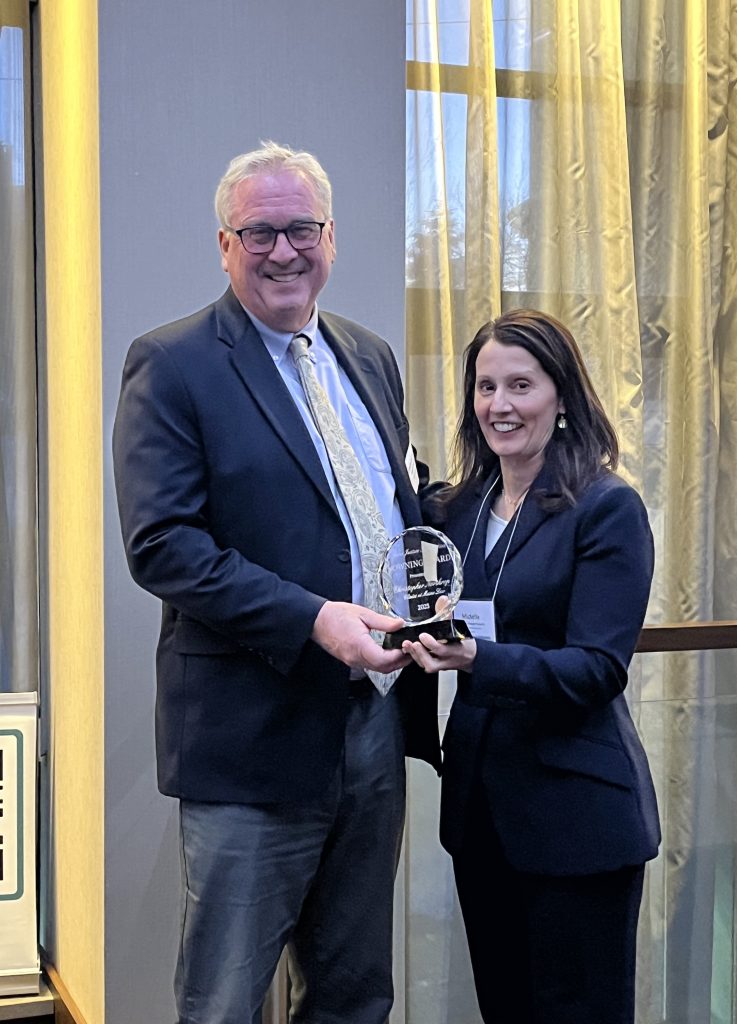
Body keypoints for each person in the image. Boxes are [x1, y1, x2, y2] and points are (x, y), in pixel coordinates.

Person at [112, 141, 440, 1024]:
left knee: (354, 993)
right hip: (250, 742)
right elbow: (163, 545)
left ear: (332, 239)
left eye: (301, 229)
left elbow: (393, 504)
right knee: (224, 1001)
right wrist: (312, 620)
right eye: (260, 232)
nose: (283, 251)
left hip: (373, 724)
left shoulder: (367, 356)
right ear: (225, 245)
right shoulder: (172, 363)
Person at [403, 309, 660, 1024]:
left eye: (521, 385)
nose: (500, 405)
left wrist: (479, 658)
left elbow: (597, 670)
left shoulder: (607, 508)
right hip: (482, 817)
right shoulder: (459, 509)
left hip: (579, 822)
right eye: (486, 387)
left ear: (563, 397)